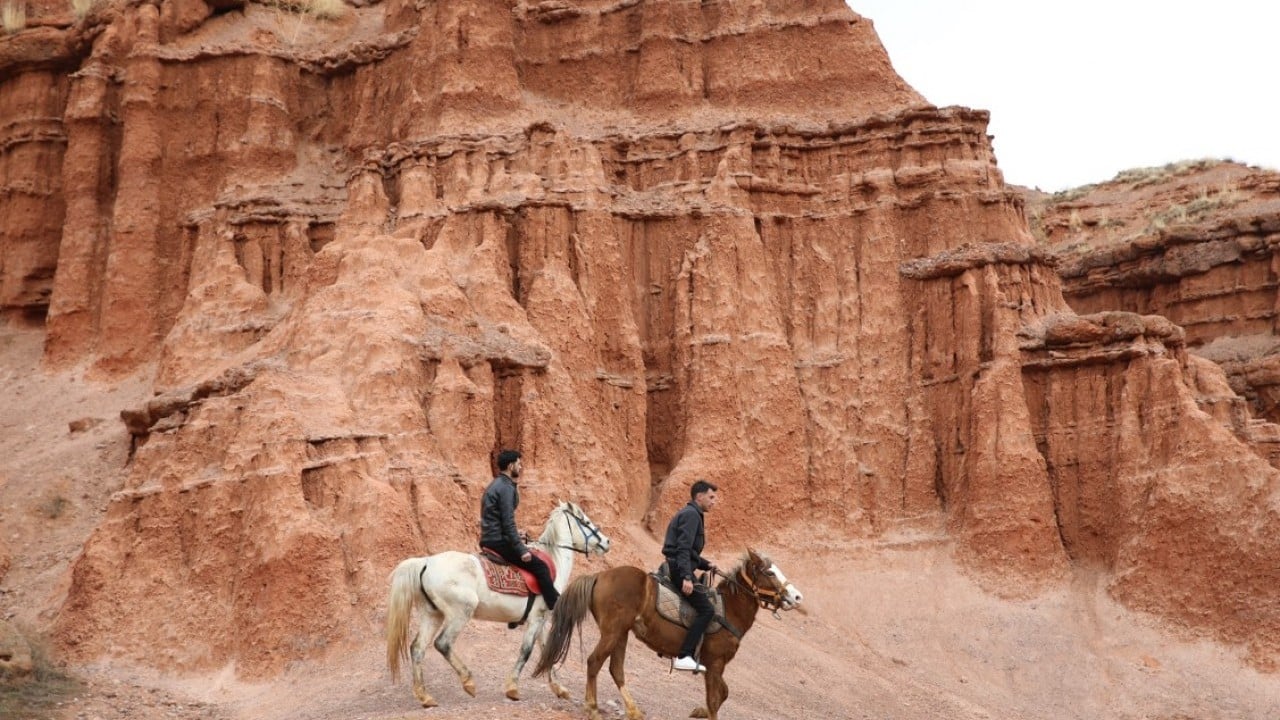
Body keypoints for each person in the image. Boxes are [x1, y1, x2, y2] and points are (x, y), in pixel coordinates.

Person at [480, 449, 558, 611]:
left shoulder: (496, 485)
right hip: (499, 542)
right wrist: (521, 549)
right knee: (541, 567)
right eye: (519, 463)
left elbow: (498, 519)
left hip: (491, 538)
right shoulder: (506, 488)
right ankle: (555, 607)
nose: (521, 467)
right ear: (510, 466)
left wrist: (517, 533)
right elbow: (508, 522)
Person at [661, 479, 719, 672]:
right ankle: (684, 655)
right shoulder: (692, 515)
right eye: (711, 497)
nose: (714, 501)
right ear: (699, 496)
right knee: (707, 610)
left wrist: (706, 564)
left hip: (679, 565)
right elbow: (683, 549)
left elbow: (691, 553)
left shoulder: (692, 513)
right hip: (679, 568)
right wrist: (687, 576)